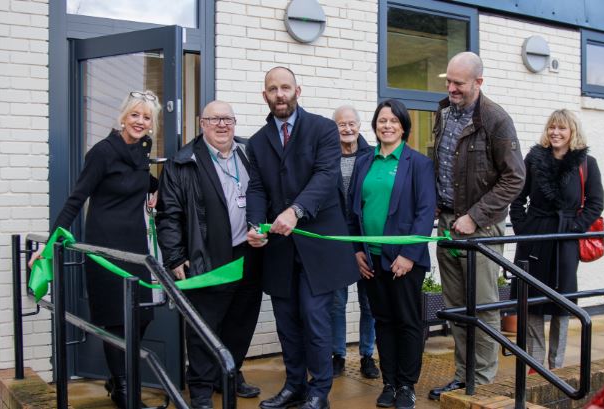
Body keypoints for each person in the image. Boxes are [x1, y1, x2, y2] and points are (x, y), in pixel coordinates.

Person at [29, 91, 161, 408]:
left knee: (142, 317)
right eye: (135, 115)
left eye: (146, 117)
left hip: (135, 248)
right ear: (123, 117)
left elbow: (138, 180)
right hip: (105, 248)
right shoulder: (102, 152)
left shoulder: (143, 152)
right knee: (116, 320)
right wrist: (48, 246)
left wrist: (157, 189)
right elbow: (76, 199)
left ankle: (118, 380)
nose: (140, 122)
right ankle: (125, 389)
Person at [246, 67, 360, 409]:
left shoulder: (323, 129)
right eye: (272, 89)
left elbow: (326, 176)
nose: (280, 94)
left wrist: (295, 211)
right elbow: (255, 188)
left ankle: (318, 390)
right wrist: (254, 223)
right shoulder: (256, 141)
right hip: (279, 248)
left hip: (318, 246)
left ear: (298, 89)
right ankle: (294, 386)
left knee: (314, 318)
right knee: (286, 322)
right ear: (264, 95)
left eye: (285, 87)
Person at [428, 52, 526, 400]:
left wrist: (475, 216)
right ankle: (462, 376)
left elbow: (515, 178)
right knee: (456, 309)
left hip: (480, 227)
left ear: (478, 83)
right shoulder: (442, 114)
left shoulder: (496, 119)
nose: (451, 88)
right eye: (448, 81)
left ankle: (482, 386)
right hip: (448, 224)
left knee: (482, 310)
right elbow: (438, 163)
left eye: (459, 83)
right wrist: (436, 206)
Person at [155, 101, 263, 409]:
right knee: (205, 324)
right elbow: (169, 215)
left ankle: (228, 373)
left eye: (227, 119)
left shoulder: (248, 153)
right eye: (214, 119)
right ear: (202, 123)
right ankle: (201, 387)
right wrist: (174, 257)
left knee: (241, 321)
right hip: (208, 257)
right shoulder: (183, 161)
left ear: (235, 122)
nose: (222, 125)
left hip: (249, 254)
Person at [349, 99, 436, 409]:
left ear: (403, 126)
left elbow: (426, 212)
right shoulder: (364, 162)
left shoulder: (419, 163)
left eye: (393, 121)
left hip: (404, 262)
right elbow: (353, 210)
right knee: (382, 322)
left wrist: (409, 255)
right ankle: (389, 383)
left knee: (407, 322)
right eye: (381, 120)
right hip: (371, 260)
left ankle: (406, 386)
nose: (386, 125)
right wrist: (357, 250)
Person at [509, 109, 603, 370]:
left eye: (561, 128)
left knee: (562, 301)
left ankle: (556, 364)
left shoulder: (587, 163)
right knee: (532, 300)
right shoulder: (534, 158)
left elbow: (596, 204)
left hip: (565, 239)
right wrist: (522, 227)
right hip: (535, 236)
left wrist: (575, 227)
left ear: (572, 132)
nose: (555, 132)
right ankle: (536, 363)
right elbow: (518, 197)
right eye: (552, 127)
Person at [329, 105, 380, 380]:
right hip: (337, 239)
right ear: (334, 127)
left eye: (352, 124)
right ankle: (338, 354)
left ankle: (367, 355)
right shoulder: (327, 156)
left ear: (360, 126)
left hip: (365, 235)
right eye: (341, 124)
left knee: (368, 302)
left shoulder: (372, 156)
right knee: (337, 302)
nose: (347, 129)